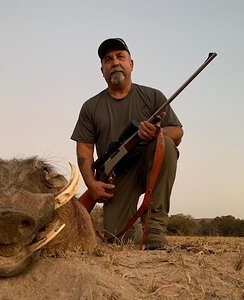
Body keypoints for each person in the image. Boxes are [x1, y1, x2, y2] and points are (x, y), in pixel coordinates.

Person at [71, 38, 183, 250]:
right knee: (117, 238)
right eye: (108, 59)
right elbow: (84, 147)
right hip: (116, 178)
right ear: (102, 70)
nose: (114, 62)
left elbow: (177, 133)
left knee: (165, 144)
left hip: (149, 163)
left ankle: (155, 229)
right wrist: (91, 184)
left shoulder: (153, 96)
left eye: (120, 56)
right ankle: (137, 227)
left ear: (131, 64)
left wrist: (157, 133)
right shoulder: (90, 107)